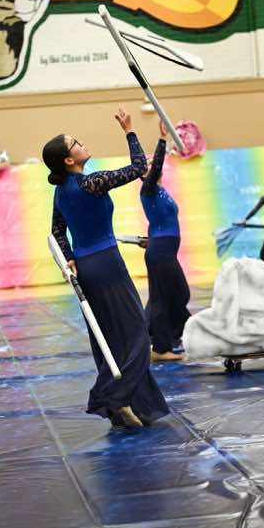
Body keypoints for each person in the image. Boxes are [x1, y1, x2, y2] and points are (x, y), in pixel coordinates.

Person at [43, 107, 169, 428]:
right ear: (68, 160)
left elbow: (57, 231)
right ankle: (114, 397)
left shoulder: (61, 192)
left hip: (86, 268)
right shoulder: (92, 183)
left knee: (111, 338)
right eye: (75, 143)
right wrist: (129, 130)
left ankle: (126, 409)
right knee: (137, 333)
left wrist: (70, 257)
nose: (82, 143)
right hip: (108, 265)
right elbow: (139, 168)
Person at [140, 120, 190, 362]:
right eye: (149, 166)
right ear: (144, 175)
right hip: (161, 251)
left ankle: (159, 336)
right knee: (164, 298)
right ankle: (160, 348)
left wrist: (149, 239)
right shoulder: (147, 189)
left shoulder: (160, 191)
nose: (153, 167)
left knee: (178, 293)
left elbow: (158, 219)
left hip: (162, 249)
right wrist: (162, 139)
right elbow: (158, 163)